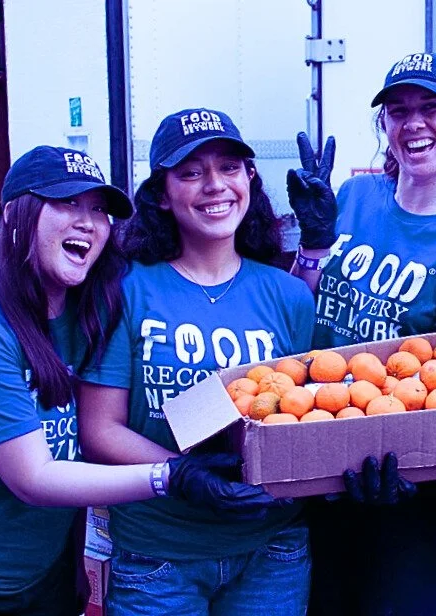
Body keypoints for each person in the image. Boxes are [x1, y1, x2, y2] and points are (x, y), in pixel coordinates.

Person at [0, 146, 279, 616]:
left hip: (45, 572)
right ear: (14, 214)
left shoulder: (84, 312)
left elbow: (69, 445)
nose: (87, 222)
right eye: (67, 203)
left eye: (99, 210)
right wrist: (170, 475)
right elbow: (35, 476)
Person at [287, 52, 436, 615]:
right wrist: (312, 246)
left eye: (431, 107)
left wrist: (411, 462)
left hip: (404, 494)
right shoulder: (355, 199)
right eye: (397, 110)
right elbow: (296, 319)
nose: (412, 122)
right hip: (314, 455)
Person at [77, 109, 316, 616]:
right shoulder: (125, 292)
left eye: (230, 167)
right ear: (162, 194)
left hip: (272, 550)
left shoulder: (291, 296)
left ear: (249, 177)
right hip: (159, 556)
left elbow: (304, 414)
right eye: (190, 172)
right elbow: (99, 430)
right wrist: (180, 474)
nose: (215, 185)